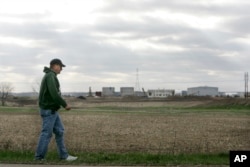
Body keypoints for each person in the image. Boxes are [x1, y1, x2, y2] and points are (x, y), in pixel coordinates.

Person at [35, 58, 77, 161]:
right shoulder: (50, 76)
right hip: (49, 110)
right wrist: (64, 104)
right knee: (46, 133)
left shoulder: (50, 76)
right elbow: (54, 93)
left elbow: (53, 94)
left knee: (60, 131)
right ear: (55, 65)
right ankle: (39, 158)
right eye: (61, 67)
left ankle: (64, 156)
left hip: (52, 110)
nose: (61, 69)